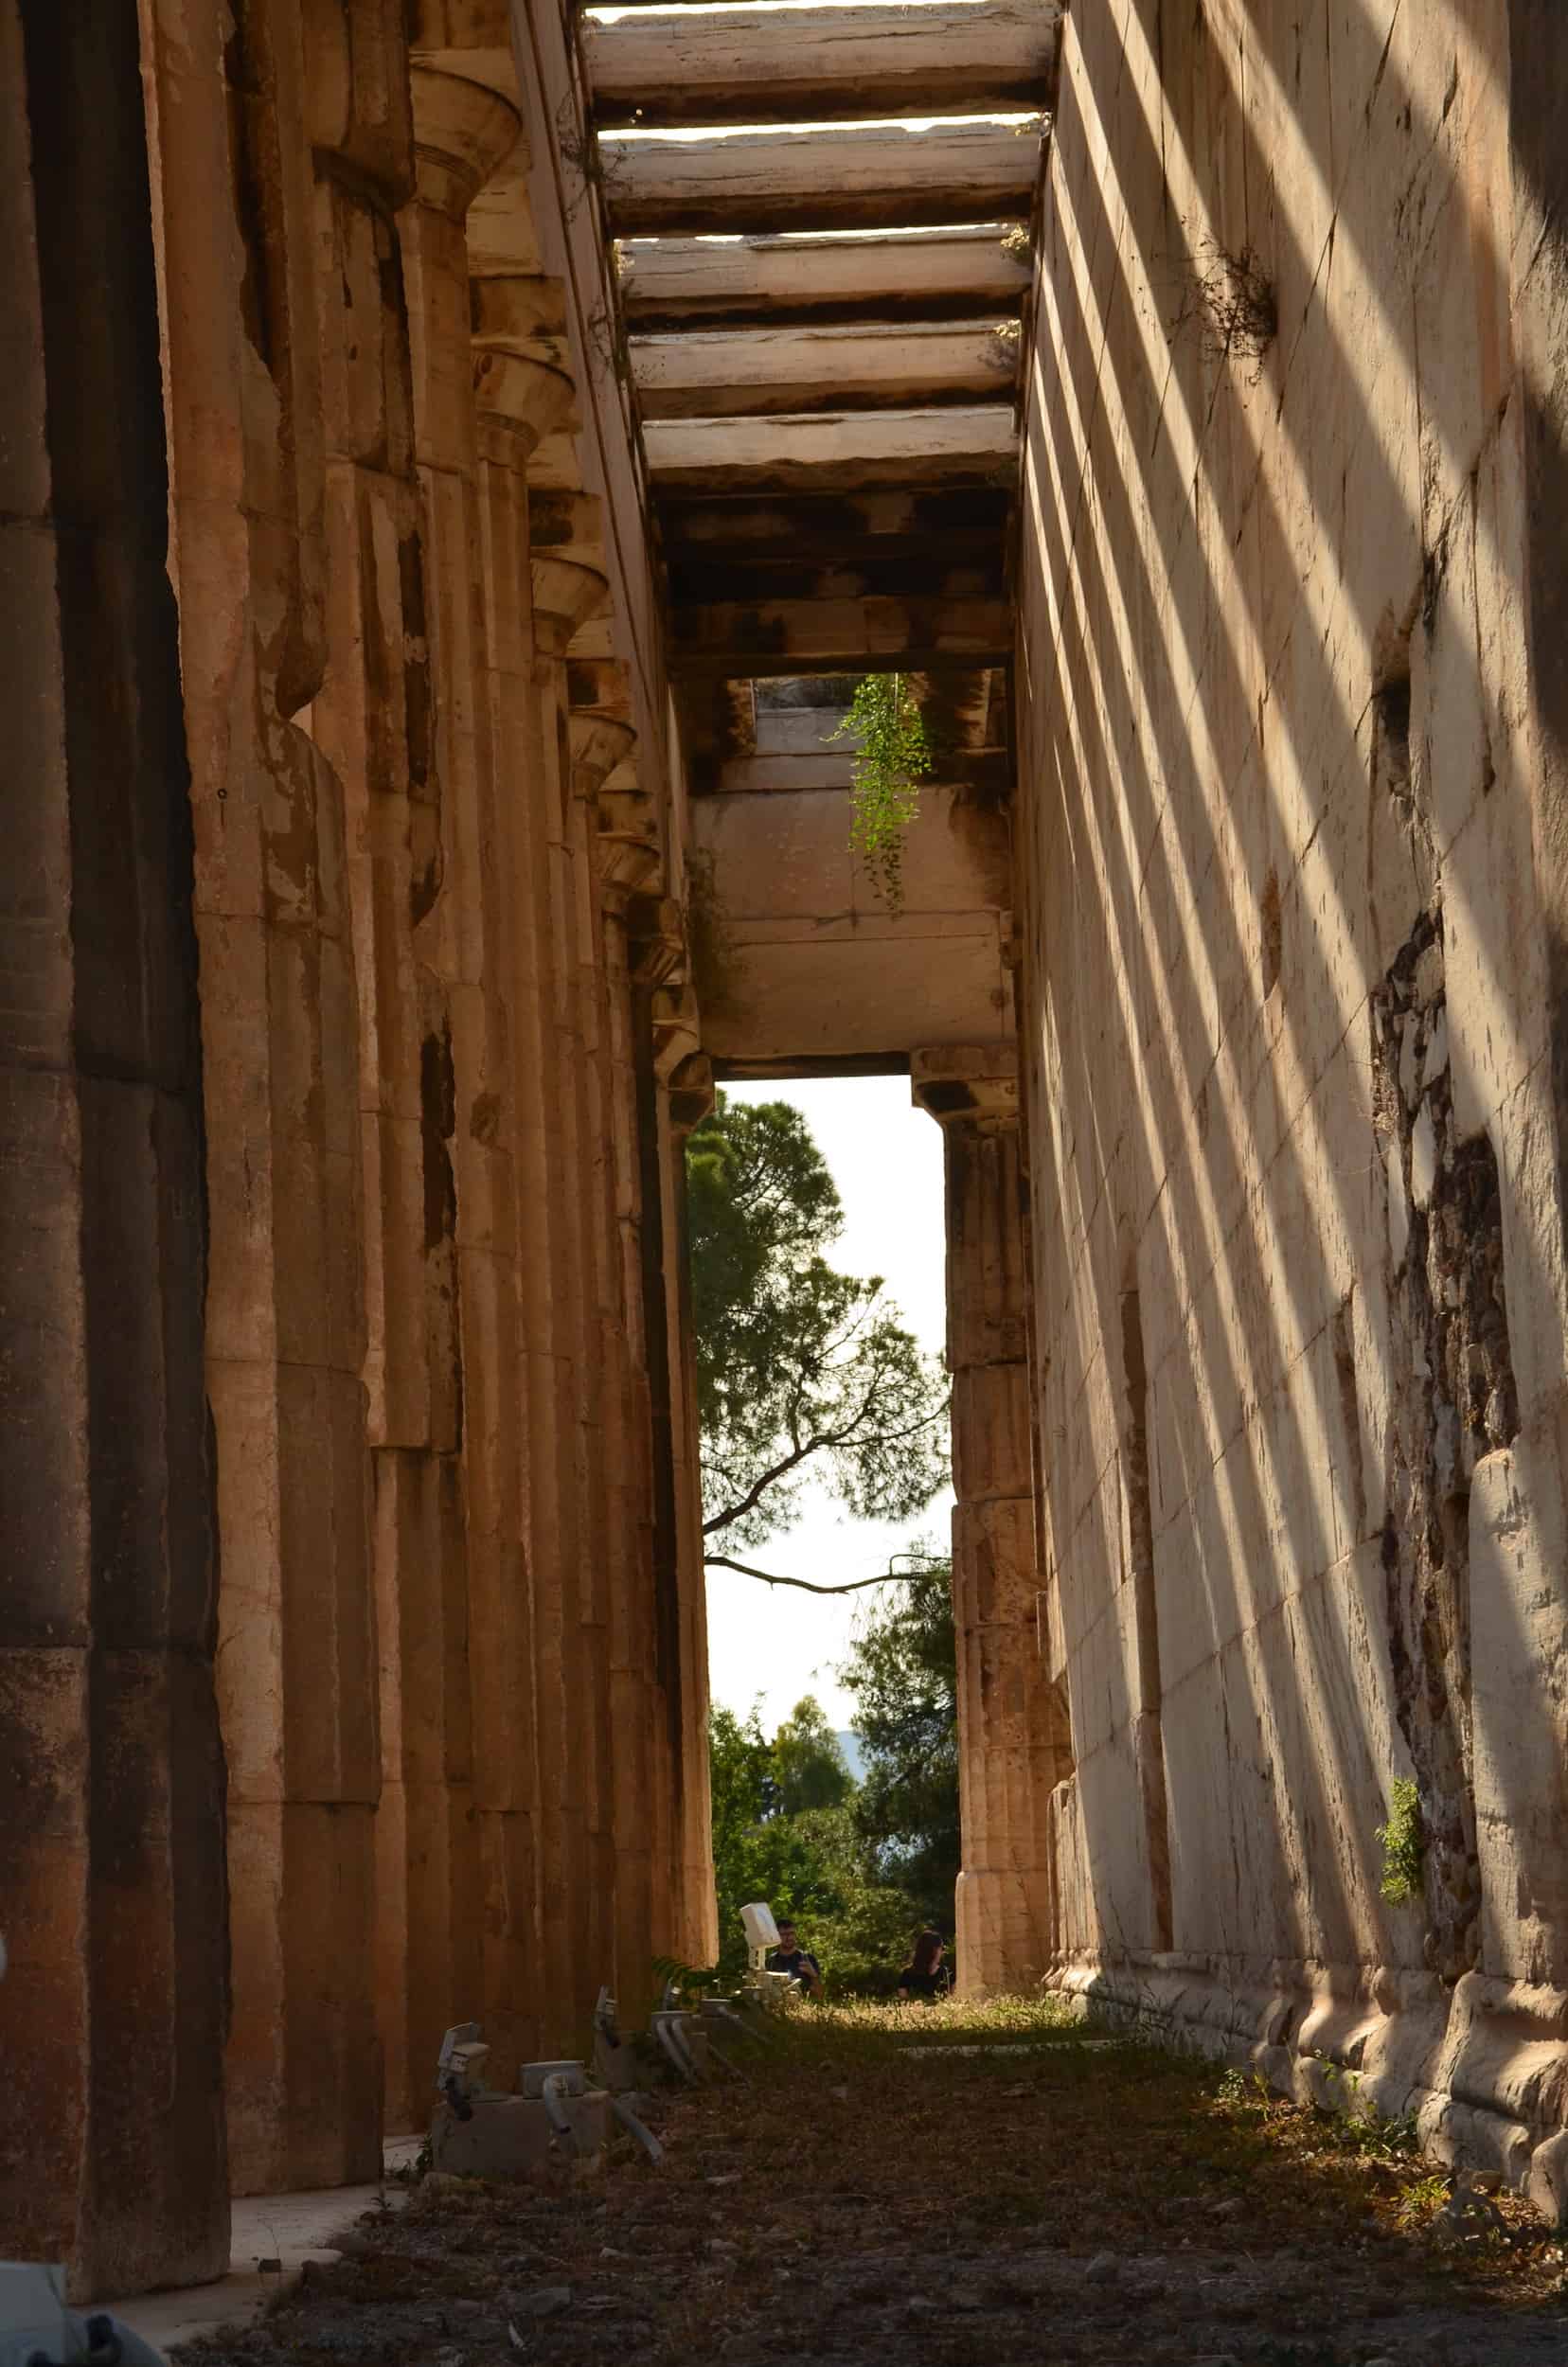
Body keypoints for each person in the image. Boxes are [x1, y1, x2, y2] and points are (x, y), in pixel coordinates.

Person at [766, 1916, 824, 1998]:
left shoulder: (807, 1958)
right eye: (784, 1934)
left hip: (802, 2009)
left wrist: (813, 1974)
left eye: (791, 1933)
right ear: (777, 1936)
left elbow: (820, 1995)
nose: (789, 1937)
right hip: (776, 2007)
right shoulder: (771, 1961)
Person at [897, 1928, 950, 2002]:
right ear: (935, 1950)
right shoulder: (945, 1974)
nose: (942, 1952)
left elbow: (904, 2002)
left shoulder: (906, 1974)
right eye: (941, 1948)